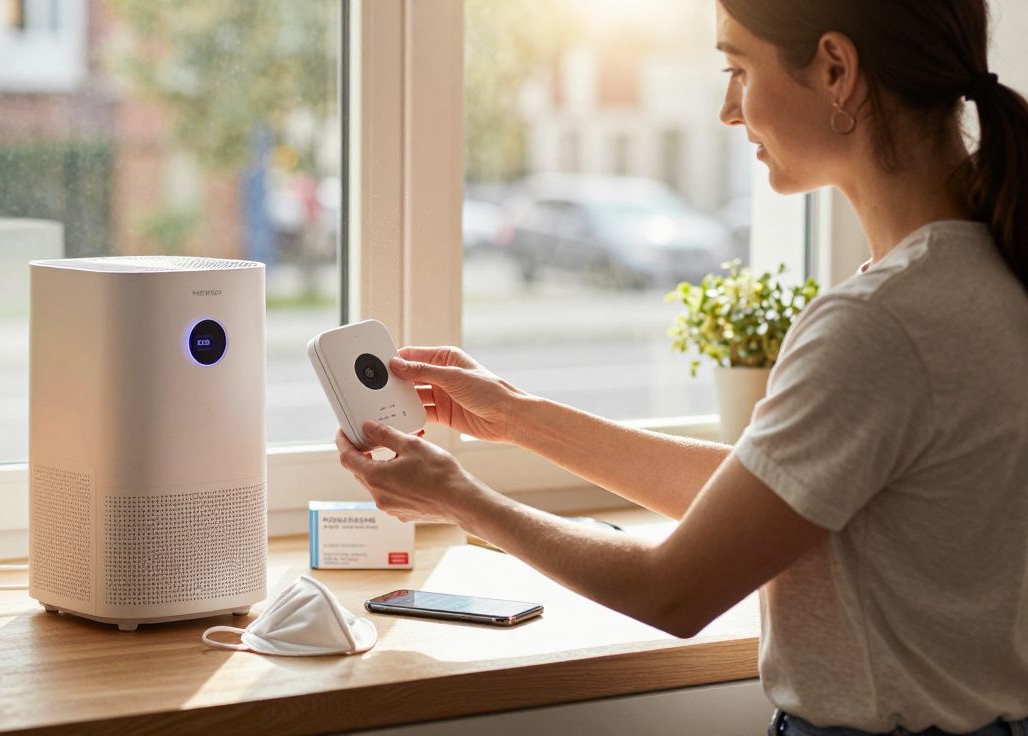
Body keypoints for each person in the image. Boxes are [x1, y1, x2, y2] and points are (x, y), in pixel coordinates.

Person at [333, 1, 1028, 734]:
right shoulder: (979, 272)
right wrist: (515, 416)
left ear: (836, 69)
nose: (729, 110)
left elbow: (673, 592)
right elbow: (766, 499)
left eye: (738, 69)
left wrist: (460, 500)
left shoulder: (882, 323)